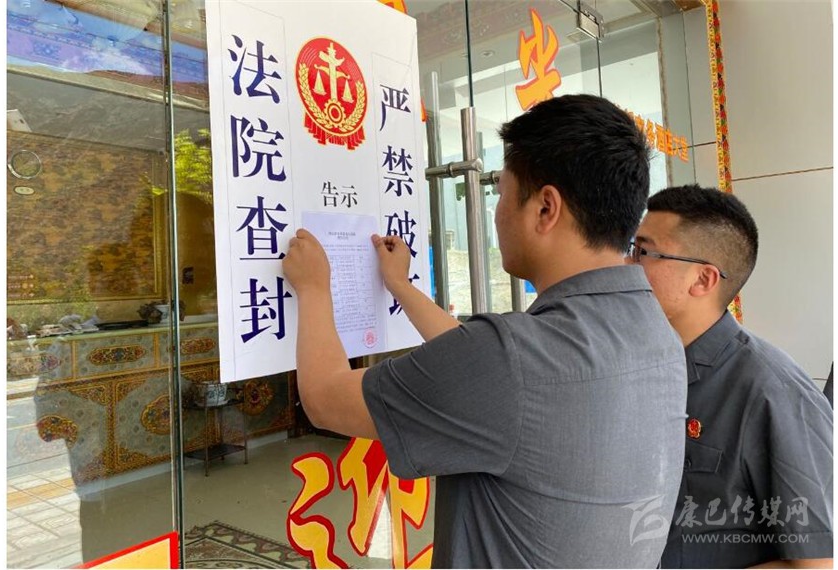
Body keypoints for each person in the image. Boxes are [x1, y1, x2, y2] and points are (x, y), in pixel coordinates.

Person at [282, 94, 687, 568]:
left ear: (545, 209)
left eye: (500, 194)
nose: (495, 213)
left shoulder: (511, 361)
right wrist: (400, 286)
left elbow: (325, 400)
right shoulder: (657, 333)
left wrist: (313, 288)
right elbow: (482, 371)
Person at [629, 184, 833, 568]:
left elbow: (817, 563)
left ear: (703, 280)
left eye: (644, 252)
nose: (628, 265)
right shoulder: (647, 367)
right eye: (631, 249)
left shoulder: (773, 392)